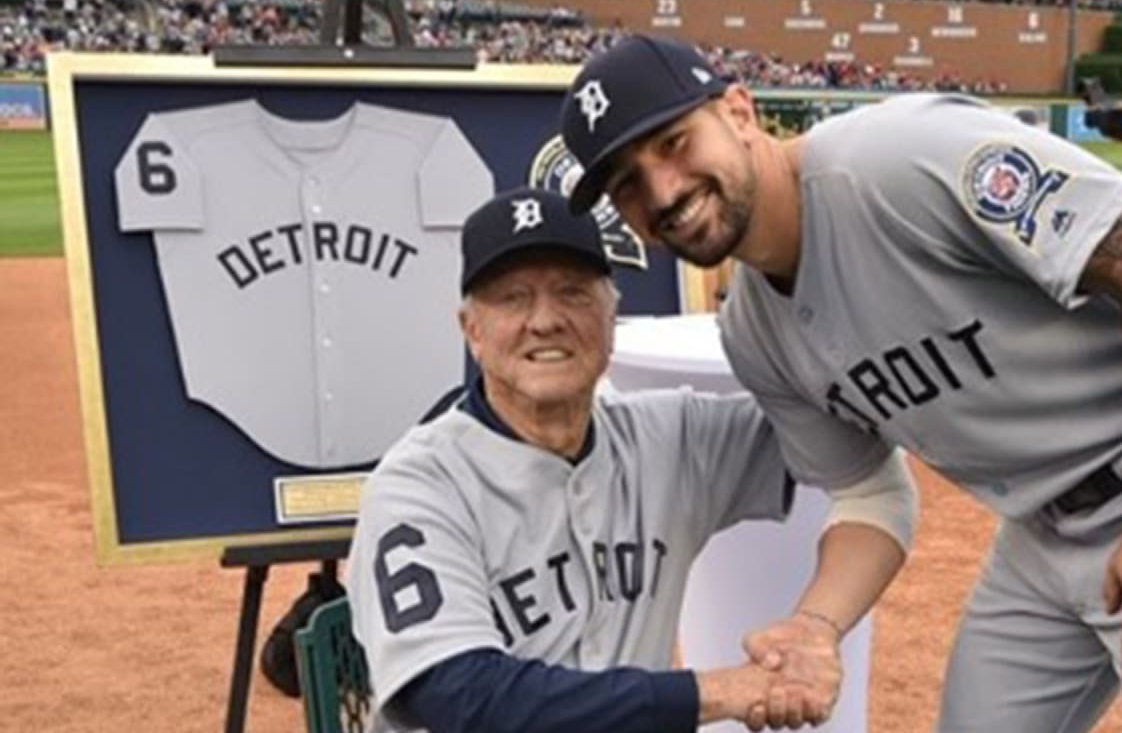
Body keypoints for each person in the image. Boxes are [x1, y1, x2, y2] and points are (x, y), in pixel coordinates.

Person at [560, 35, 1122, 732]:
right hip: (1041, 528)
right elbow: (870, 494)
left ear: (739, 109)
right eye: (628, 184)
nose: (662, 191)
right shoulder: (755, 333)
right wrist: (816, 625)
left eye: (673, 142)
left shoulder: (896, 159)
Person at [345, 187, 918, 732]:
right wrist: (717, 692)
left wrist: (815, 626)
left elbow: (849, 416)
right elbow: (464, 699)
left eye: (573, 291)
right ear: (471, 329)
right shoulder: (419, 485)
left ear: (610, 317)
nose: (545, 319)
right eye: (512, 297)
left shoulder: (673, 437)